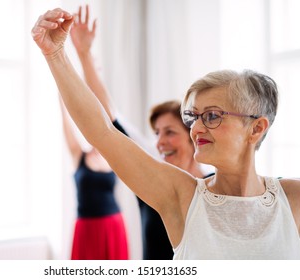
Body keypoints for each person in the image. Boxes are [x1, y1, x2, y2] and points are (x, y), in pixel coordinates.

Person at [31, 8, 300, 259]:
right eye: (192, 117)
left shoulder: (297, 196)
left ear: (256, 128)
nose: (195, 128)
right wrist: (56, 54)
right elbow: (104, 131)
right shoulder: (180, 195)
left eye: (211, 116)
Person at [69, 5, 212, 260]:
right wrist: (84, 54)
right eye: (156, 133)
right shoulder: (151, 172)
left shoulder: (214, 184)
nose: (160, 142)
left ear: (194, 136)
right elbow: (109, 115)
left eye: (170, 132)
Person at [58, 92, 129, 259]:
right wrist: (62, 99)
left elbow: (111, 119)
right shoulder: (79, 155)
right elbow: (66, 127)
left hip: (112, 224)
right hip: (86, 227)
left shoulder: (111, 157)